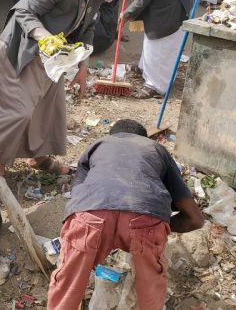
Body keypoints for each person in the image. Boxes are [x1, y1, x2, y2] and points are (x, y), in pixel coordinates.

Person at [0, 0, 135, 177]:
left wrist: (82, 66)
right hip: (22, 48)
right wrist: (44, 37)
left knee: (46, 109)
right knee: (15, 111)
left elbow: (88, 27)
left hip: (53, 55)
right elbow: (23, 10)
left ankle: (38, 157)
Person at [46, 119, 205, 310]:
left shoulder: (97, 145)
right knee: (151, 293)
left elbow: (78, 196)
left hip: (90, 216)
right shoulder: (156, 149)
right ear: (142, 138)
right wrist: (158, 228)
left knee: (67, 286)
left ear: (112, 136)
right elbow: (195, 219)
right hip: (146, 218)